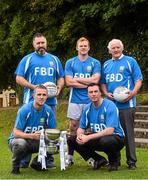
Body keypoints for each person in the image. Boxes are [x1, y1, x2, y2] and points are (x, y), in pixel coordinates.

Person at [15, 32, 64, 168]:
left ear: (46, 43)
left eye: (43, 42)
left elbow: (61, 77)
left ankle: (47, 161)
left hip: (50, 102)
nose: (41, 45)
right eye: (38, 43)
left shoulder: (54, 59)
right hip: (31, 101)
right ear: (34, 44)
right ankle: (24, 160)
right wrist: (33, 87)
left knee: (50, 131)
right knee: (29, 130)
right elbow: (18, 78)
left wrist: (59, 88)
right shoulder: (27, 59)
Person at [101, 39, 143, 170]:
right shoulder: (106, 64)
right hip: (111, 105)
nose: (116, 49)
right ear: (109, 50)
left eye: (118, 47)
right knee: (112, 134)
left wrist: (133, 93)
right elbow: (103, 82)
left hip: (127, 104)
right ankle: (115, 160)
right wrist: (106, 93)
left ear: (122, 48)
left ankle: (131, 162)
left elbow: (138, 79)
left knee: (128, 133)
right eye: (113, 48)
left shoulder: (130, 61)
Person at [67, 83, 125, 171]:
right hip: (98, 137)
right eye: (90, 92)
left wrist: (88, 137)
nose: (93, 94)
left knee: (106, 140)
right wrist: (80, 136)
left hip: (116, 137)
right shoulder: (87, 108)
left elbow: (110, 130)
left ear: (100, 93)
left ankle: (114, 161)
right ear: (88, 94)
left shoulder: (110, 106)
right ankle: (99, 159)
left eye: (95, 91)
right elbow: (81, 127)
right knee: (72, 140)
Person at [65, 37, 101, 165]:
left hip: (91, 100)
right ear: (77, 48)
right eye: (81, 46)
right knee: (73, 127)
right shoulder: (70, 62)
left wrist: (78, 79)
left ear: (89, 48)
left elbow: (96, 80)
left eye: (86, 45)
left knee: (90, 128)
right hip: (75, 99)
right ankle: (69, 156)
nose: (83, 47)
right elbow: (68, 82)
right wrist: (88, 83)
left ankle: (91, 157)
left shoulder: (95, 62)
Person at [8, 85, 56, 175]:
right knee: (21, 143)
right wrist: (32, 136)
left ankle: (37, 163)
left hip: (35, 141)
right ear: (33, 96)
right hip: (18, 141)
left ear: (47, 96)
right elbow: (16, 133)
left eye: (44, 95)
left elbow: (52, 131)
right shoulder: (24, 110)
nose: (41, 97)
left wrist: (43, 133)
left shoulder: (48, 110)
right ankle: (15, 167)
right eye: (39, 94)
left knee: (56, 142)